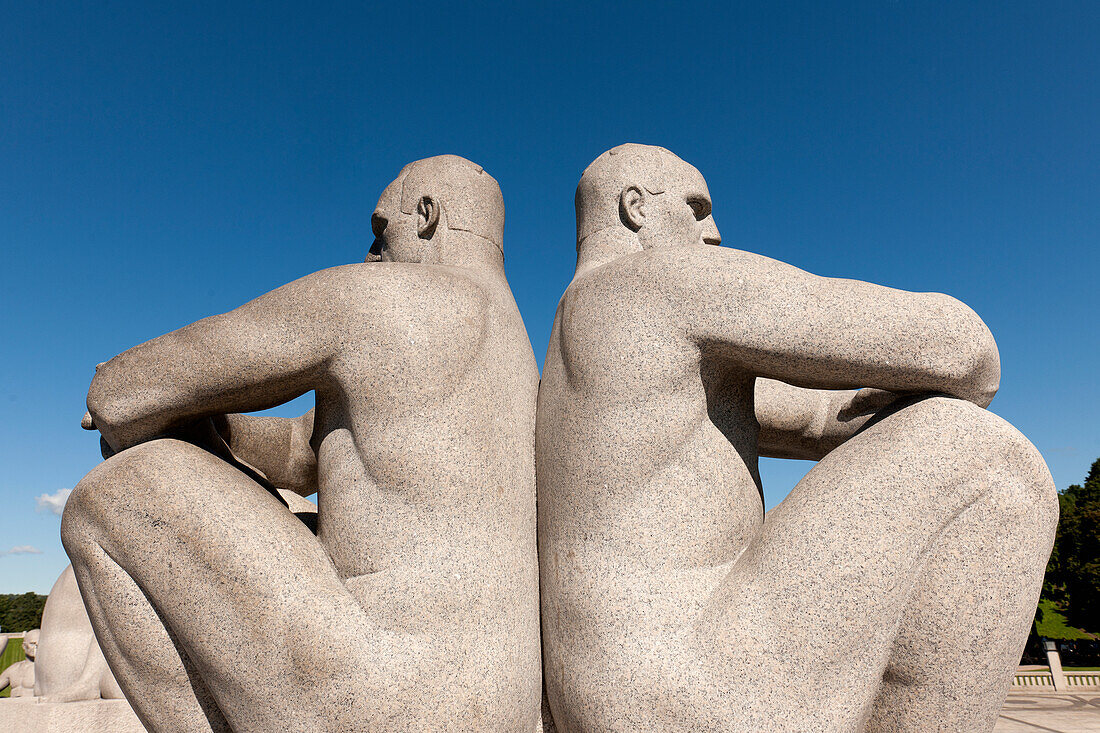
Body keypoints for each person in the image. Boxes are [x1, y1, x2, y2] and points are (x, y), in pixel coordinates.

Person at [536, 144, 1058, 732]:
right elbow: (964, 349)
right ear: (636, 208)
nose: (715, 232)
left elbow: (818, 421)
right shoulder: (650, 281)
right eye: (698, 208)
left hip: (612, 696)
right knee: (983, 452)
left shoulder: (591, 339)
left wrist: (891, 406)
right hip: (692, 685)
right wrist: (932, 395)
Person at [63, 155, 542, 732]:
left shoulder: (387, 298)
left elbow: (126, 393)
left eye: (378, 230)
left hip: (385, 691)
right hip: (498, 705)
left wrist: (117, 393)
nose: (370, 253)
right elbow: (305, 450)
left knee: (113, 494)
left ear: (426, 216)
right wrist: (221, 431)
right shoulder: (520, 361)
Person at [0, 630, 39, 698]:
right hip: (13, 706)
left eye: (39, 644)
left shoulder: (44, 670)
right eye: (32, 644)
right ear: (24, 646)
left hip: (33, 707)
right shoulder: (14, 668)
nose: (36, 647)